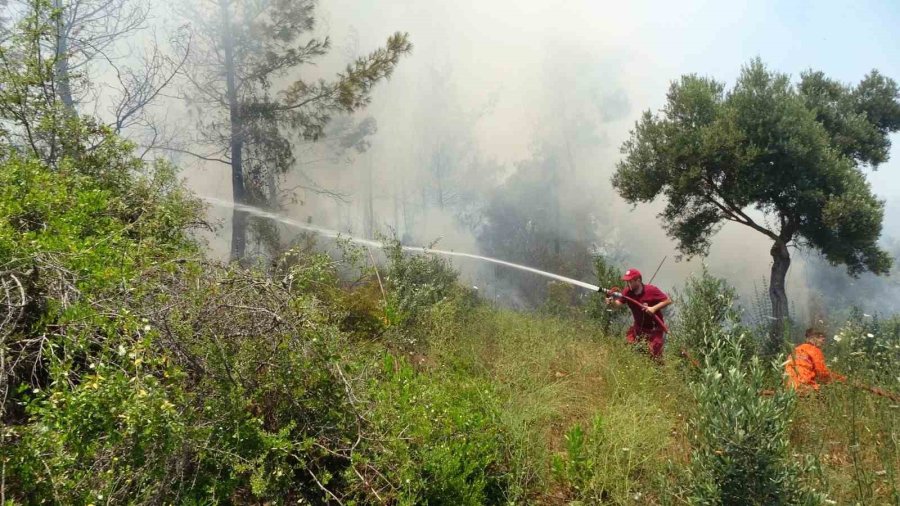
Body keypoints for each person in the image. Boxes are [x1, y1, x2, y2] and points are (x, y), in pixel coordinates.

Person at [605, 268, 673, 360]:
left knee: (654, 356)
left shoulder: (651, 290)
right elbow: (617, 305)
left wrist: (653, 308)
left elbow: (668, 300)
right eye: (626, 281)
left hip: (654, 329)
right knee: (630, 350)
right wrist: (611, 302)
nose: (627, 284)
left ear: (638, 280)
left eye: (630, 281)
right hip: (639, 328)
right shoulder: (627, 292)